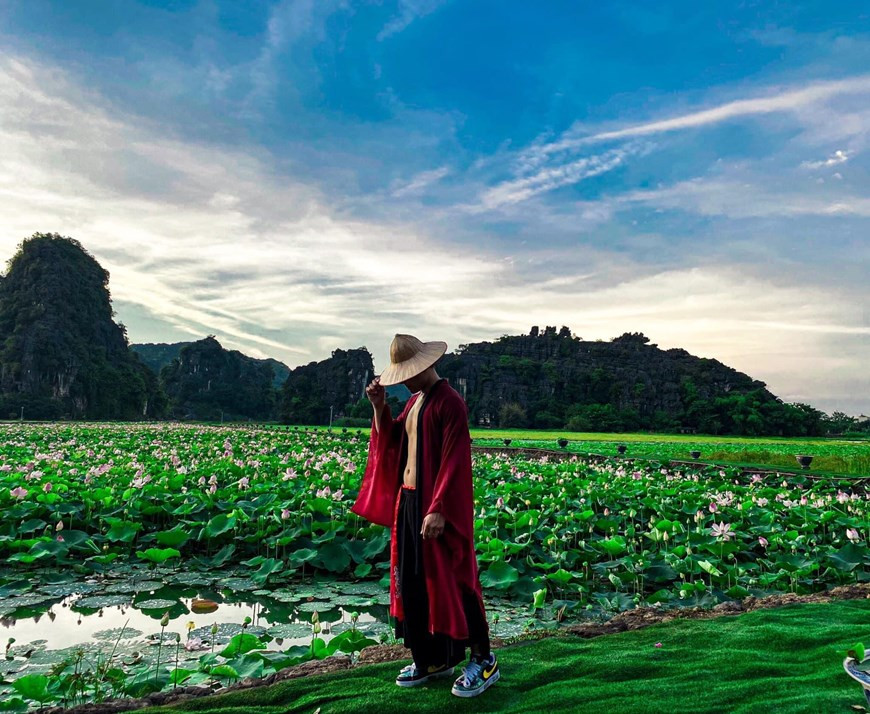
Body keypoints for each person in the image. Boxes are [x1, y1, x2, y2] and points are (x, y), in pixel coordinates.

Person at [351, 333, 499, 698]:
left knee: (458, 578)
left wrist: (439, 509)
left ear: (427, 365)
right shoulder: (415, 402)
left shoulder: (450, 402)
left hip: (436, 505)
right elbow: (392, 442)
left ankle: (484, 659)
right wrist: (378, 406)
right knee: (416, 584)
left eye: (408, 373)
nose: (404, 380)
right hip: (409, 502)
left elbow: (454, 461)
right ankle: (432, 659)